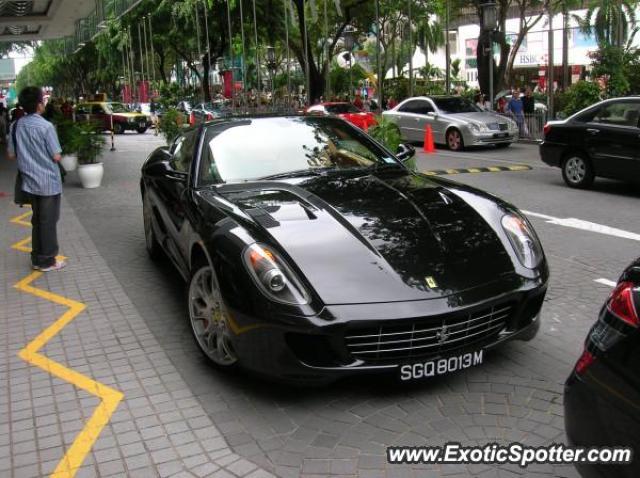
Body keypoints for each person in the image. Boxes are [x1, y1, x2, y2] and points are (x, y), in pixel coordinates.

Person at [7, 86, 65, 272]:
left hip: (29, 183)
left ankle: (37, 257)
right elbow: (56, 156)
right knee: (48, 222)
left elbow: (11, 155)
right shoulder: (46, 126)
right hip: (48, 183)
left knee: (37, 220)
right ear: (39, 104)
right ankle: (47, 261)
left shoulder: (15, 126)